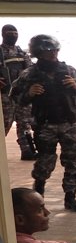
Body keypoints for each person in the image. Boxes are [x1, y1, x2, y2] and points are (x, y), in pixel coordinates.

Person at [10, 34, 76, 212]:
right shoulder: (29, 74)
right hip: (45, 125)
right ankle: (38, 198)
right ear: (38, 53)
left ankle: (71, 198)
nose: (53, 53)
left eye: (54, 49)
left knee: (73, 161)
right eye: (48, 51)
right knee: (44, 163)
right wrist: (29, 93)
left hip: (71, 125)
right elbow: (15, 96)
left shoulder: (70, 71)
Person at [1, 24, 36, 160]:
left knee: (24, 123)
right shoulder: (0, 52)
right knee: (4, 123)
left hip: (21, 94)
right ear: (3, 34)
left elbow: (31, 70)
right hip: (5, 95)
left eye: (15, 33)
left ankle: (27, 151)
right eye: (10, 33)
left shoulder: (22, 52)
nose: (13, 36)